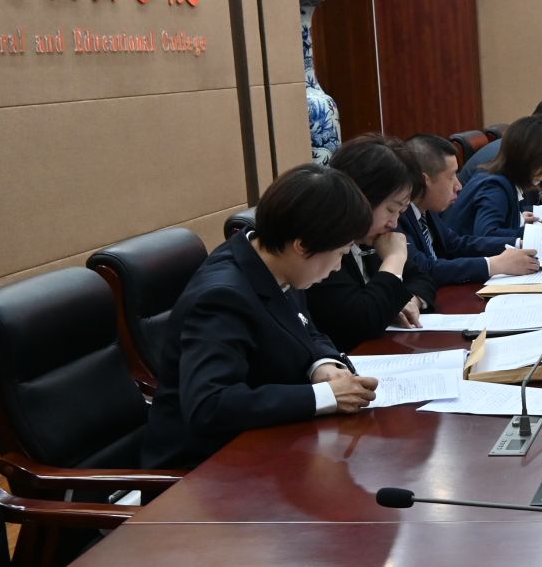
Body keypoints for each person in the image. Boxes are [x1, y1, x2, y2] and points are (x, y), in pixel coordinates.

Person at [144, 163, 380, 467]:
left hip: (268, 441)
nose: (338, 266)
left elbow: (305, 328)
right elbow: (210, 405)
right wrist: (324, 396)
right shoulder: (222, 297)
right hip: (204, 469)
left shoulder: (273, 262)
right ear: (302, 245)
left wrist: (323, 366)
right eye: (340, 253)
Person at [304, 136, 440, 350]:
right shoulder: (325, 245)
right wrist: (394, 259)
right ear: (361, 197)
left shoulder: (374, 237)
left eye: (401, 212)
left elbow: (421, 278)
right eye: (391, 209)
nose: (394, 223)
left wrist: (410, 300)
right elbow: (361, 321)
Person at [401, 133, 541, 286]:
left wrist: (519, 243)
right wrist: (493, 265)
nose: (458, 186)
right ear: (424, 180)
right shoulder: (397, 218)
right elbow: (425, 269)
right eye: (451, 176)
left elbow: (456, 244)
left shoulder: (427, 209)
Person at [444, 116, 542, 249]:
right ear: (530, 160)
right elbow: (487, 234)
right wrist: (537, 233)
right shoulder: (494, 186)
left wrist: (519, 219)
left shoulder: (505, 179)